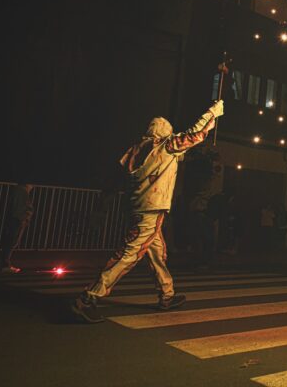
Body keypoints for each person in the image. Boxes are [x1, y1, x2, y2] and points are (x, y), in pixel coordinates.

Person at [71, 100, 224, 323]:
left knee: (156, 253)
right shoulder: (166, 146)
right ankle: (88, 297)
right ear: (165, 132)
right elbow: (196, 133)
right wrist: (214, 111)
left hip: (135, 208)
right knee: (128, 254)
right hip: (151, 209)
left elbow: (113, 181)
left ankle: (167, 295)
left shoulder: (134, 150)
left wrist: (102, 205)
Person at [0, 183, 34, 273]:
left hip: (16, 218)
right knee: (12, 240)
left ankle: (5, 264)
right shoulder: (22, 192)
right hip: (17, 219)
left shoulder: (20, 191)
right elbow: (22, 207)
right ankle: (5, 265)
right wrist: (23, 219)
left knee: (11, 240)